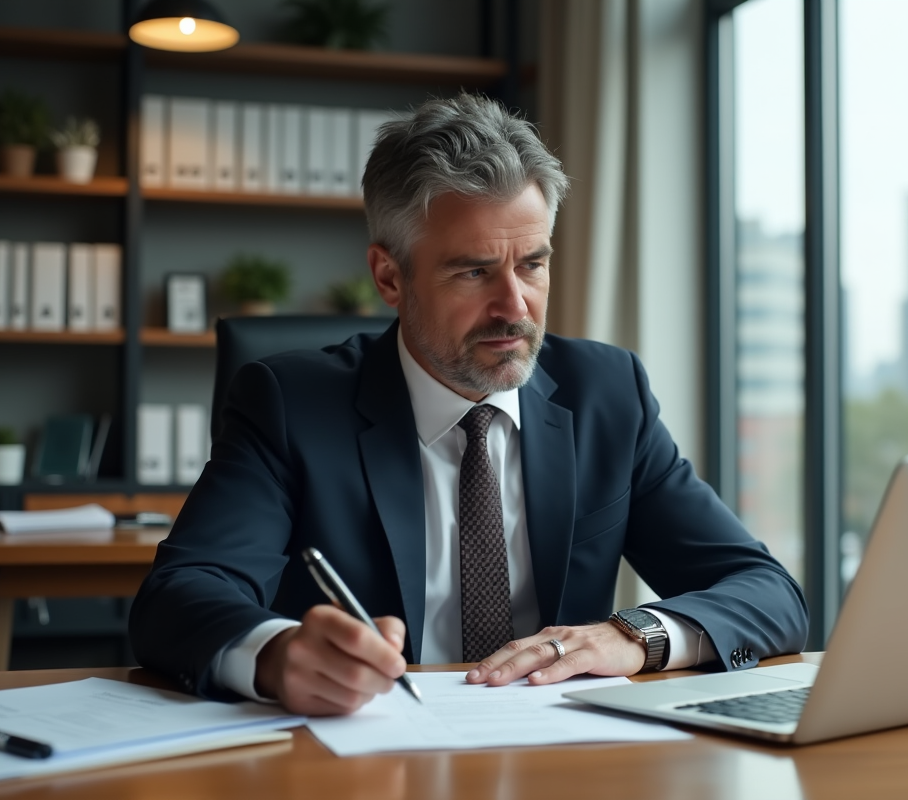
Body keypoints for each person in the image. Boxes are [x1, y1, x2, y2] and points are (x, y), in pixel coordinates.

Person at [129, 93, 807, 716]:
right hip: (365, 760)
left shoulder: (607, 394)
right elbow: (178, 598)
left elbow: (765, 591)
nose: (514, 307)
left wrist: (638, 637)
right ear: (389, 276)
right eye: (474, 271)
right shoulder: (291, 404)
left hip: (566, 760)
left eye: (532, 265)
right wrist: (276, 656)